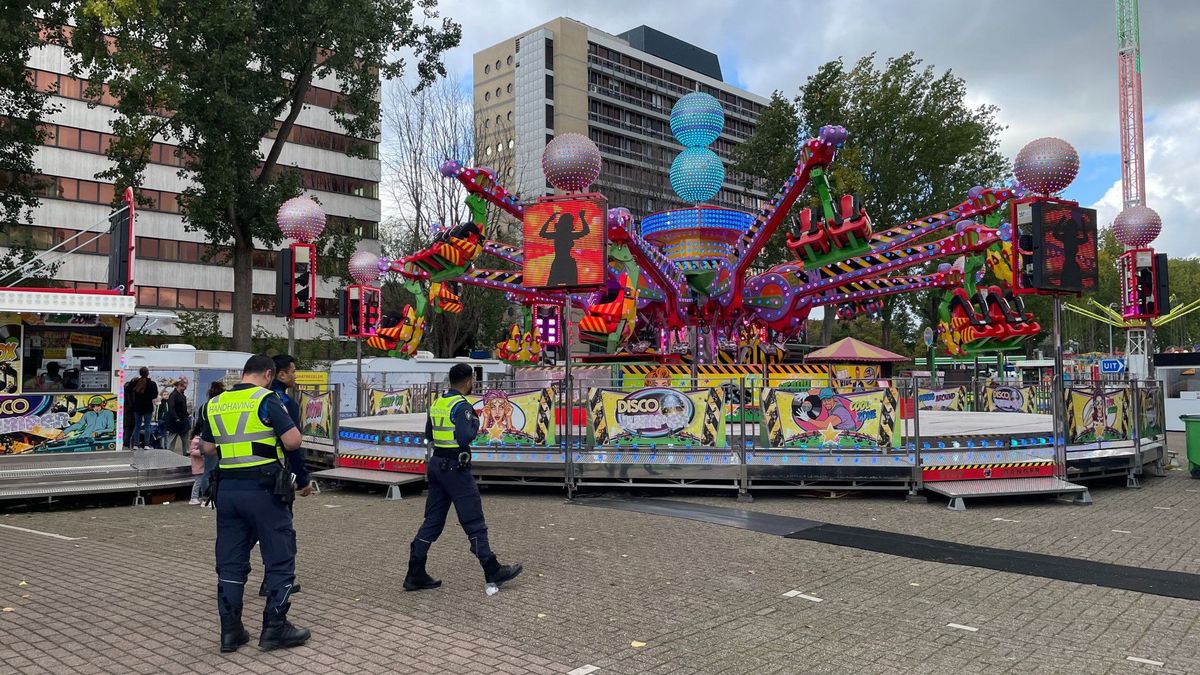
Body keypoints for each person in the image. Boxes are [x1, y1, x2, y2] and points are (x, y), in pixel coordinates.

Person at [199, 355, 312, 653]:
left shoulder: (214, 403)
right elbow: (293, 441)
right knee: (279, 556)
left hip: (227, 490)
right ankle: (275, 628)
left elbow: (208, 448)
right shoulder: (268, 399)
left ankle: (231, 632)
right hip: (264, 489)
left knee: (231, 561)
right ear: (268, 374)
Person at [403, 363, 522, 592]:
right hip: (456, 468)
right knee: (474, 520)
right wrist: (476, 422)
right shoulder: (462, 406)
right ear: (469, 382)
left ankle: (415, 572)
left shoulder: (438, 403)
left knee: (432, 521)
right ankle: (492, 569)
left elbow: (428, 435)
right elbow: (465, 435)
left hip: (437, 465)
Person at [188, 381, 225, 506]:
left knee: (207, 470)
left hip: (205, 440)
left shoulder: (204, 406)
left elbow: (200, 424)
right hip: (217, 440)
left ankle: (206, 496)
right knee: (212, 470)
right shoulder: (220, 406)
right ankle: (209, 496)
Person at [127, 367, 158, 449]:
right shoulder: (152, 383)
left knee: (137, 425)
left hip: (137, 406)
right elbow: (155, 395)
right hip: (148, 407)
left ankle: (136, 444)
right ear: (148, 373)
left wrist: (132, 381)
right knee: (147, 425)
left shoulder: (136, 382)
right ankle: (147, 444)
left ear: (140, 373)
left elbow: (127, 389)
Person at [269, 355, 301, 428]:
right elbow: (294, 437)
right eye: (293, 372)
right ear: (282, 375)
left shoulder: (260, 395)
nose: (295, 376)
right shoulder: (286, 401)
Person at [165, 377, 190, 454]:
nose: (184, 388)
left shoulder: (182, 395)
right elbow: (171, 408)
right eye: (183, 387)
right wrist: (175, 418)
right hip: (175, 421)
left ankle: (185, 452)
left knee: (185, 439)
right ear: (178, 386)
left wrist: (187, 415)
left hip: (183, 420)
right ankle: (169, 453)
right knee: (172, 439)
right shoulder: (173, 395)